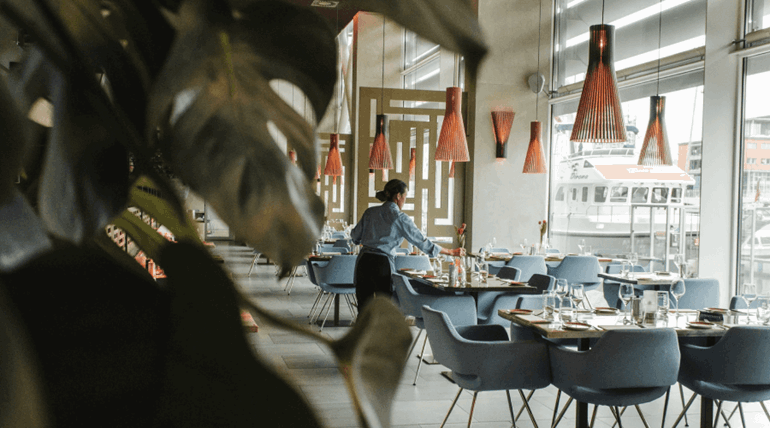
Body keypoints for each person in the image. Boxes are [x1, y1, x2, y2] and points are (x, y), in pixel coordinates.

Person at [350, 179, 466, 309]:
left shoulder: (369, 212)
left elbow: (354, 236)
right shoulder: (399, 217)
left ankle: (363, 329)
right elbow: (421, 241)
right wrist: (450, 252)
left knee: (363, 309)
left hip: (363, 262)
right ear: (398, 196)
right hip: (382, 265)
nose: (404, 201)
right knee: (385, 310)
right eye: (405, 197)